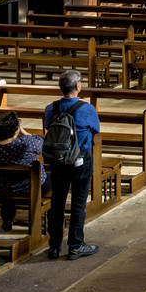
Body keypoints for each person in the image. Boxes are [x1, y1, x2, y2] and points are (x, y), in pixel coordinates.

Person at [44, 70, 101, 260]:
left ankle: (54, 246)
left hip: (58, 160)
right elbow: (95, 130)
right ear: (78, 86)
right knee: (78, 203)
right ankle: (76, 246)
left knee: (57, 203)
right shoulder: (87, 109)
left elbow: (48, 128)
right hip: (80, 160)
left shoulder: (50, 108)